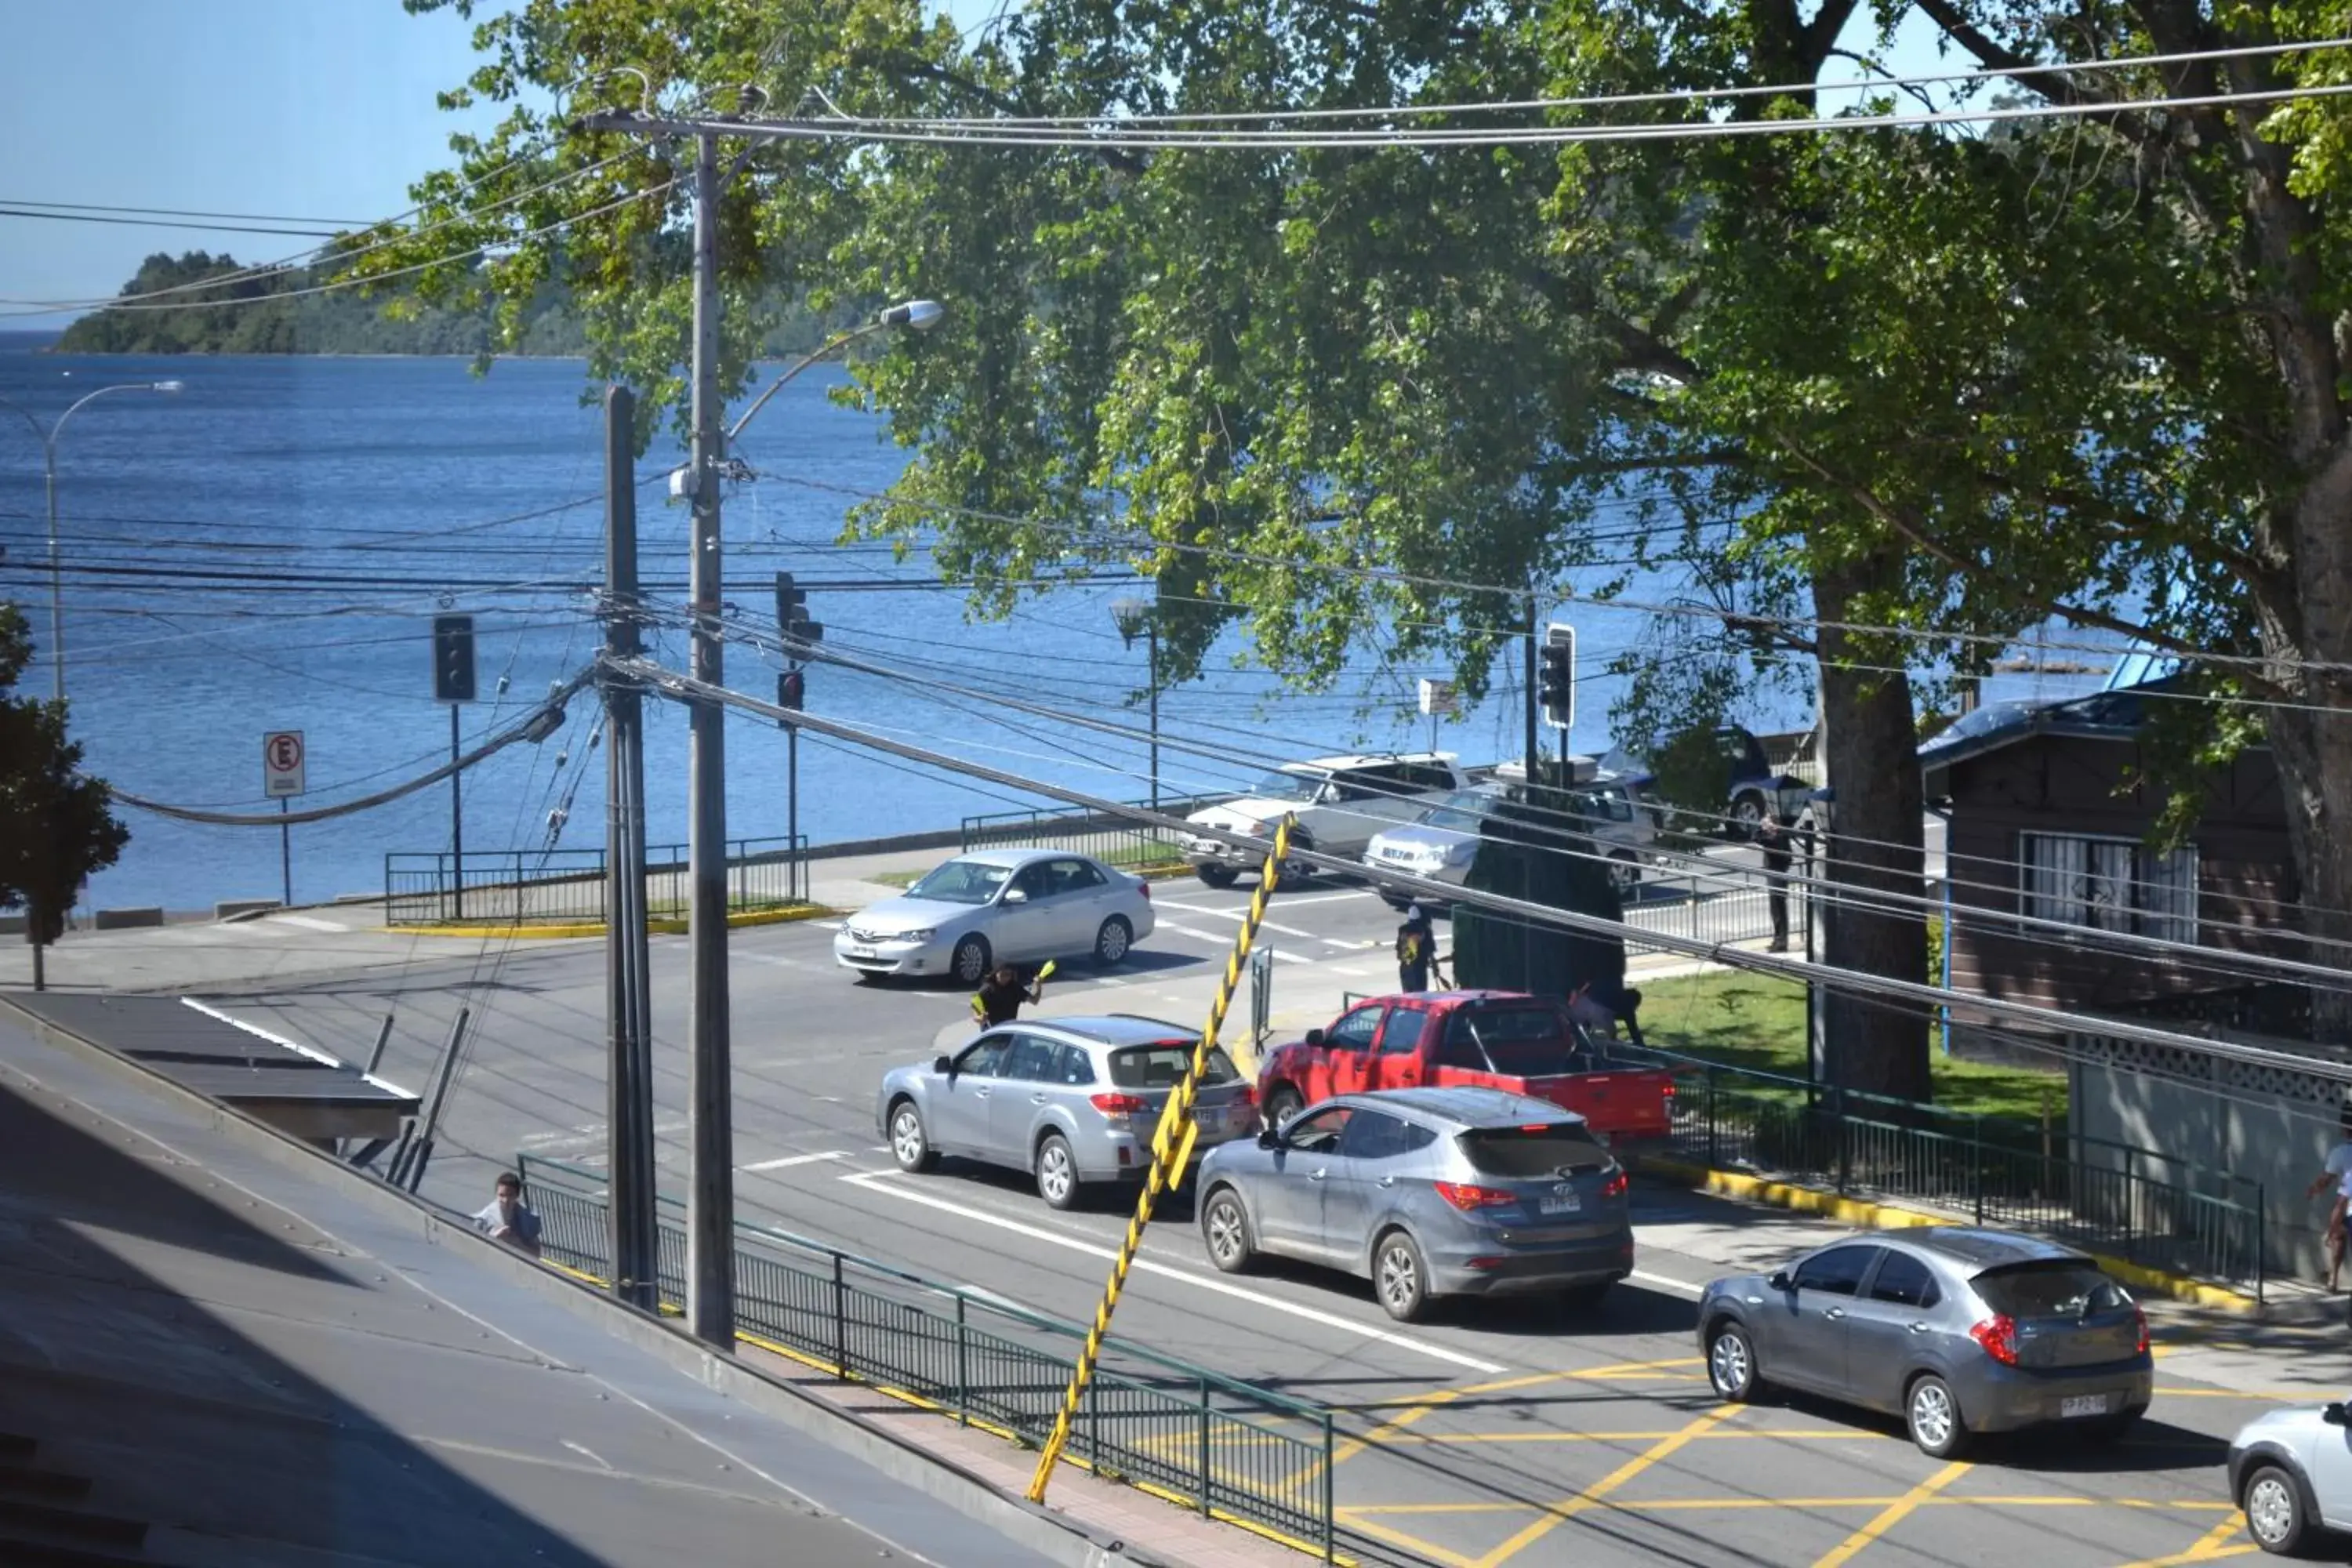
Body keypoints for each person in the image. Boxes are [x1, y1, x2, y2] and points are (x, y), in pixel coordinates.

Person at [2306, 1108, 2352, 1290]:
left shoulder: (2341, 1153)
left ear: (2344, 1128)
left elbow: (2328, 1182)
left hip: (2348, 1208)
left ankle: (2333, 1279)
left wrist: (2313, 1190)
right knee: (2338, 1233)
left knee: (2337, 1235)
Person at [474, 1171, 542, 1259]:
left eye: (510, 1195)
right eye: (501, 1195)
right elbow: (474, 1253)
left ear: (517, 1196)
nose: (506, 1200)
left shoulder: (528, 1219)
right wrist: (494, 1239)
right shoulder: (483, 1220)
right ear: (496, 1195)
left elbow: (536, 1254)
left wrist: (515, 1243)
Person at [1759, 811, 1794, 952]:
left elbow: (1756, 837)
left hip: (1776, 878)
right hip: (1776, 876)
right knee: (1777, 912)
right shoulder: (1780, 837)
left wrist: (1762, 827)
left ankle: (1781, 942)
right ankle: (1778, 940)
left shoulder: (1775, 839)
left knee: (1778, 911)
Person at [1396, 904, 1448, 993]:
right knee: (1419, 995)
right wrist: (1436, 969)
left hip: (1404, 968)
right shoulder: (1425, 930)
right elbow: (1431, 953)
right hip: (1418, 969)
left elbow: (1399, 950)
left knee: (1408, 996)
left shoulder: (1403, 930)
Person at [974, 962, 1044, 1027]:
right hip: (992, 1031)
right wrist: (980, 1018)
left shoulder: (1015, 988)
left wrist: (1038, 985)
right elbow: (975, 1008)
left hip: (1009, 1029)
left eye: (1008, 975)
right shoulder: (987, 989)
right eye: (1002, 975)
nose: (1005, 978)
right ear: (996, 973)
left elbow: (1035, 1001)